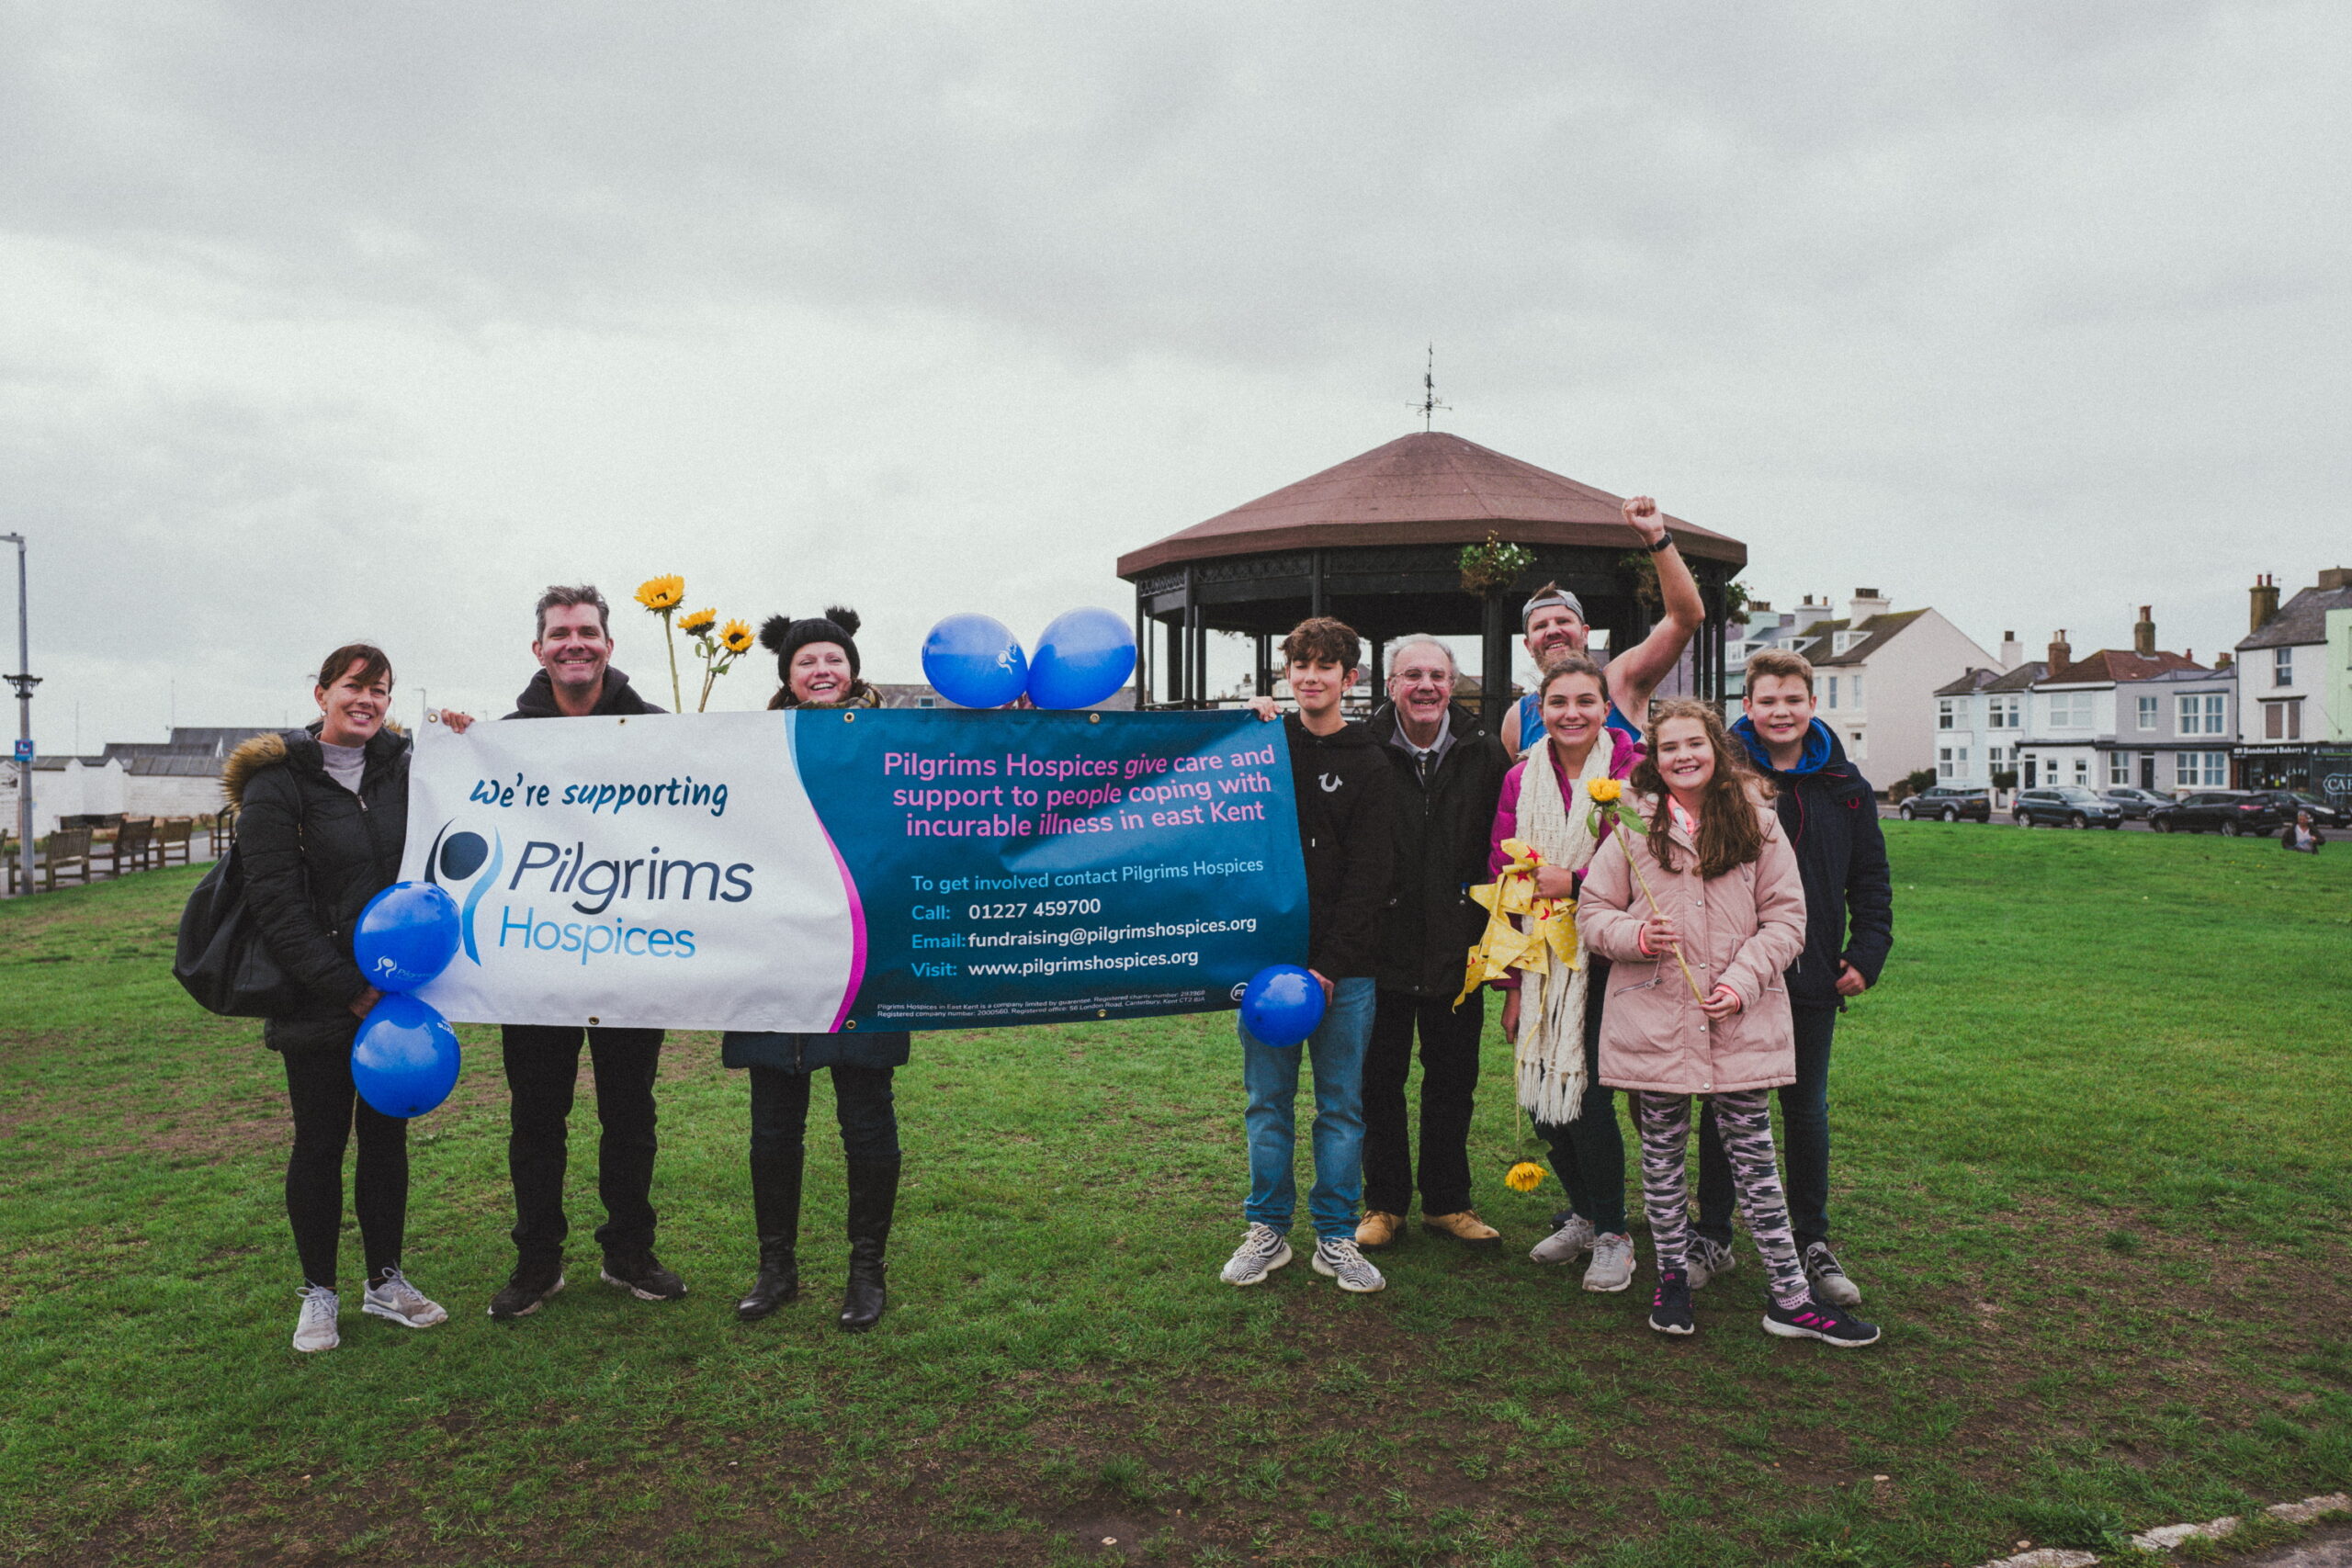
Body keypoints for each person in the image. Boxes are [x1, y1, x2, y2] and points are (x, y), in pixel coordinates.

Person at [1577, 700, 1879, 1346]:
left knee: (1754, 1157)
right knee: (1660, 1155)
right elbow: (1593, 913)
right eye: (1669, 748)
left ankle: (1790, 1296)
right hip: (1654, 1017)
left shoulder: (1757, 822)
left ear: (1716, 747)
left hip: (1738, 1020)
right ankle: (1672, 1279)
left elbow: (1786, 921)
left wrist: (1740, 984)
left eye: (1695, 743)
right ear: (1654, 760)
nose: (1683, 756)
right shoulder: (1633, 827)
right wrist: (1636, 933)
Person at [446, 585, 684, 1320]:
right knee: (537, 1118)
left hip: (628, 956)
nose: (574, 643)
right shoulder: (505, 735)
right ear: (538, 648)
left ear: (609, 645)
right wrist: (456, 743)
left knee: (630, 1114)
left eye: (587, 632)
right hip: (537, 962)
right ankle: (537, 1260)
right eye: (560, 633)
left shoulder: (656, 729)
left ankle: (629, 1251)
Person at [228, 643, 447, 1352]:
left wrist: (462, 734)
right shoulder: (277, 785)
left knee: (386, 1139)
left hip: (395, 994)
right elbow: (276, 908)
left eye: (381, 689)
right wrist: (349, 990)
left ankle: (385, 1281)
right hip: (317, 997)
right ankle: (317, 1292)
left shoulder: (406, 769)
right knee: (320, 1142)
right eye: (355, 686)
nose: (368, 700)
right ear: (320, 692)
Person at [1690, 649, 1893, 1306]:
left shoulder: (1846, 785)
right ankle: (1712, 1233)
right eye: (1767, 700)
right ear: (1747, 706)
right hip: (1731, 972)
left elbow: (1871, 879)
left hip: (1809, 973)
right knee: (1725, 1105)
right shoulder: (1717, 775)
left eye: (1793, 700)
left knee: (1804, 1109)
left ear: (1811, 705)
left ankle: (1813, 1240)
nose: (1781, 711)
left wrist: (1867, 952)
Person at [723, 607, 905, 1333]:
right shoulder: (748, 747)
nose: (822, 670)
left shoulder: (896, 742)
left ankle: (868, 1270)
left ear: (852, 668)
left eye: (833, 658)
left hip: (861, 956)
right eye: (807, 662)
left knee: (866, 1120)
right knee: (773, 1128)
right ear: (786, 676)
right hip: (773, 960)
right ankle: (777, 1267)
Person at [1223, 617, 1394, 1294]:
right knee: (1267, 1102)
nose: (1311, 676)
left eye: (1327, 665)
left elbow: (1371, 876)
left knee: (1341, 1106)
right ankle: (1266, 1228)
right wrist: (1245, 723)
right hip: (1266, 966)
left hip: (1341, 973)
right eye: (1301, 664)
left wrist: (1329, 965)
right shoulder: (1263, 741)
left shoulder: (1370, 760)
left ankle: (1334, 1235)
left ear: (1350, 679)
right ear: (1285, 673)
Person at [1487, 659, 1645, 1291]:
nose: (1571, 712)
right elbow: (1503, 878)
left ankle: (1613, 1232)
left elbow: (1648, 870)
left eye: (1585, 700)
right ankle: (1584, 1212)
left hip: (1608, 961)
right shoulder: (1520, 778)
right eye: (1557, 702)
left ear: (1606, 708)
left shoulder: (1634, 775)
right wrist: (1508, 985)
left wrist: (1576, 884)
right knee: (1542, 1099)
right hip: (1538, 964)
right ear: (1540, 710)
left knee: (1587, 1097)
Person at [1354, 638, 1512, 1253]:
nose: (1426, 684)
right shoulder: (1363, 749)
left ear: (1454, 684)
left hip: (1458, 951)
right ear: (1389, 684)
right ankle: (1384, 1204)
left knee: (1452, 1082)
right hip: (1380, 950)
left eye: (1437, 675)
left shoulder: (1486, 754)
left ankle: (1448, 1202)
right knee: (1379, 1083)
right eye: (1412, 674)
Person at [1498, 494, 1705, 755]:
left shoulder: (1621, 681)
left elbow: (1685, 618)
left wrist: (1656, 537)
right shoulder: (1518, 718)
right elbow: (1517, 791)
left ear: (1585, 633)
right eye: (1540, 626)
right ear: (1528, 645)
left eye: (1563, 621)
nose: (1552, 630)